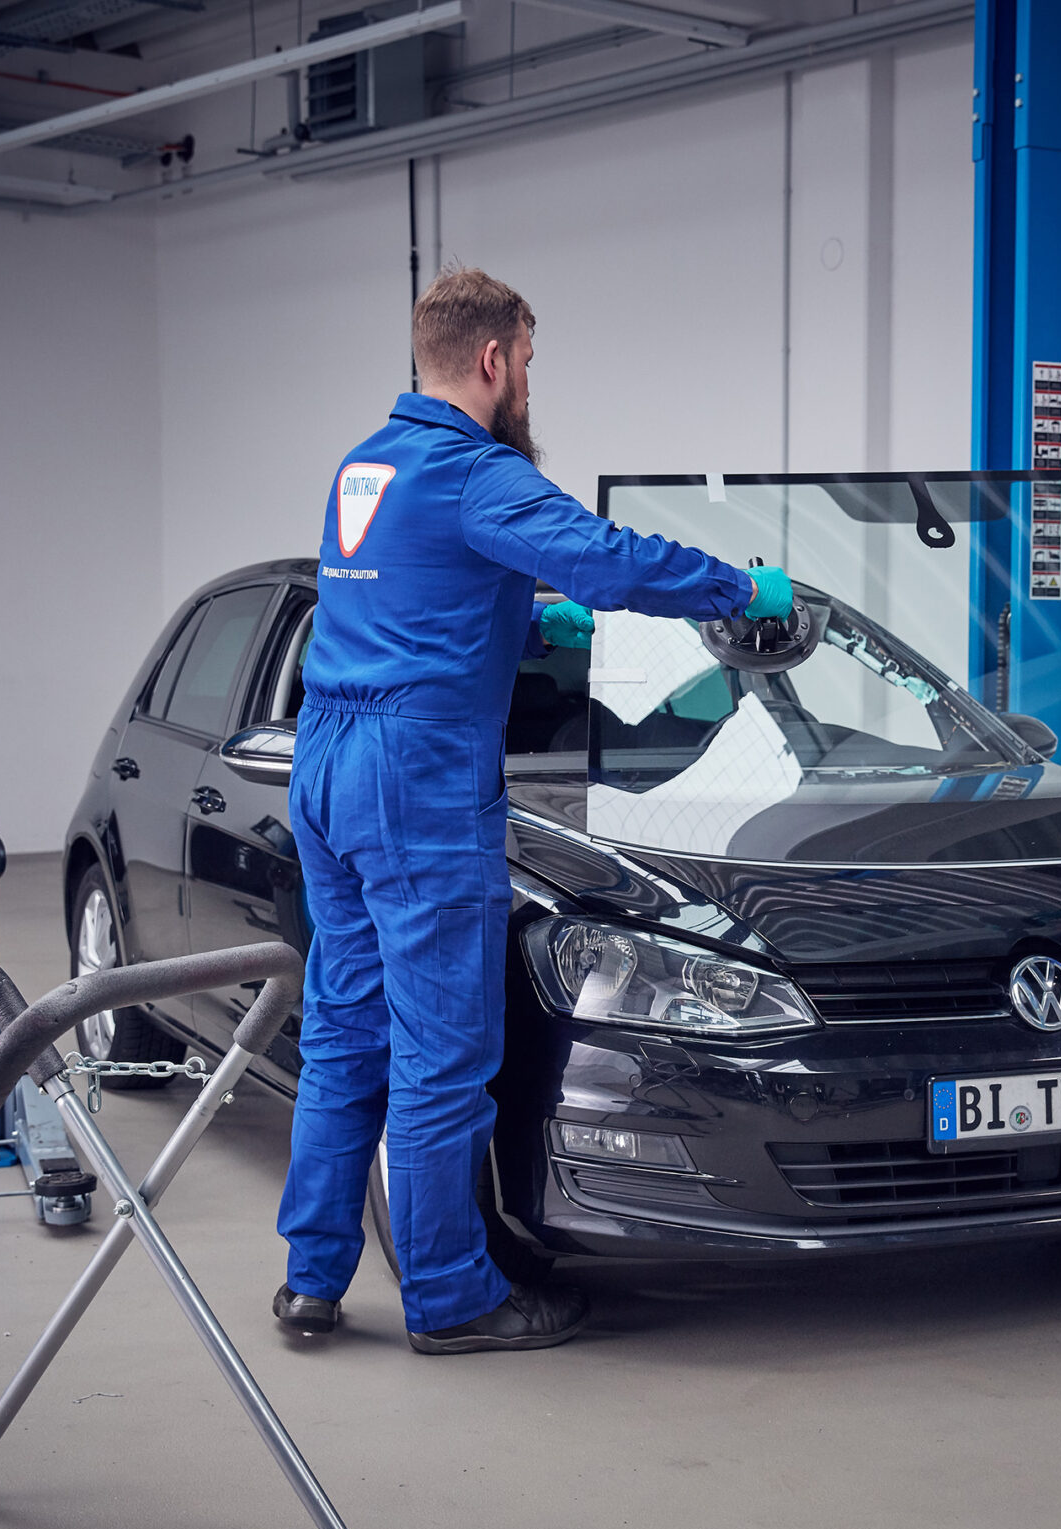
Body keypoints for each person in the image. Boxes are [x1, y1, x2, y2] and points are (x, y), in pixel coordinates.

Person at [273, 268, 793, 1354]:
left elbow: (411, 598)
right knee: (441, 1054)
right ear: (493, 359)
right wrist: (740, 592)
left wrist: (525, 616)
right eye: (527, 360)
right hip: (413, 777)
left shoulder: (366, 465)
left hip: (326, 760)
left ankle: (312, 1277)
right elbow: (607, 558)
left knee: (346, 1031)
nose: (527, 383)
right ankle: (451, 1297)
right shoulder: (475, 470)